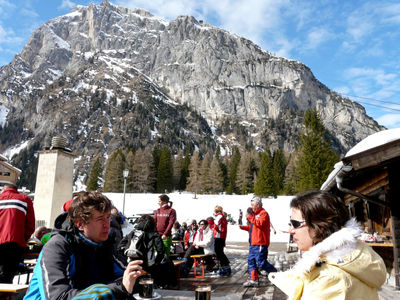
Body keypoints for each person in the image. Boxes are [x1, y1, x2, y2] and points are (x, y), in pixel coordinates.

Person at [24, 191, 145, 299]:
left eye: (108, 217)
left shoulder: (103, 244)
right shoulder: (58, 247)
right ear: (80, 224)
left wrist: (134, 277)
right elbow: (58, 296)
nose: (107, 224)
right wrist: (117, 289)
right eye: (100, 219)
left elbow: (121, 276)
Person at [269, 190, 387, 300]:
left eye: (295, 224)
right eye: (291, 222)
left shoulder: (329, 280)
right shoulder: (356, 256)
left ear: (320, 227)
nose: (291, 230)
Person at [118, 215, 177, 288]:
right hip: (147, 266)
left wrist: (127, 260)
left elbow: (119, 247)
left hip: (131, 264)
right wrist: (156, 263)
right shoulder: (153, 233)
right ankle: (165, 286)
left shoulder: (133, 232)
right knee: (168, 263)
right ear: (152, 224)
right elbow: (161, 251)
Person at [0, 183, 35, 283]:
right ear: (16, 190)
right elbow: (31, 225)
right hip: (15, 243)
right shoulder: (24, 199)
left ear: (4, 190)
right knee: (7, 275)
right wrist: (23, 238)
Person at [241, 196, 276, 287]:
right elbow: (254, 227)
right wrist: (244, 227)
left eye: (253, 205)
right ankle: (253, 279)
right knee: (251, 261)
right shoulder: (255, 215)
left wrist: (249, 217)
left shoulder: (263, 213)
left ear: (258, 204)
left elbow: (260, 224)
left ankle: (276, 274)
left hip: (260, 242)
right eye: (251, 205)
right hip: (253, 243)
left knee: (261, 262)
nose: (251, 207)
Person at [213, 206, 231, 276]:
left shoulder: (219, 217)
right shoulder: (223, 217)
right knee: (220, 252)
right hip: (222, 236)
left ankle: (225, 266)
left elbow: (216, 226)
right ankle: (225, 266)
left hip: (218, 236)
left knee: (218, 252)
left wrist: (217, 231)